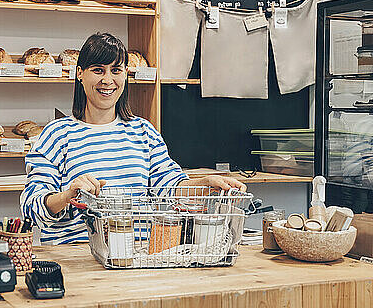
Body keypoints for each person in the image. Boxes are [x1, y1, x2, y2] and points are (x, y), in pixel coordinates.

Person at [20, 32, 246, 244]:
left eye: (116, 70)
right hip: (76, 259)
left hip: (136, 257)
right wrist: (67, 195)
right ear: (80, 73)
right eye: (98, 70)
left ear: (125, 74)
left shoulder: (143, 132)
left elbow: (169, 188)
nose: (108, 80)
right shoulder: (56, 135)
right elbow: (31, 206)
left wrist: (206, 184)